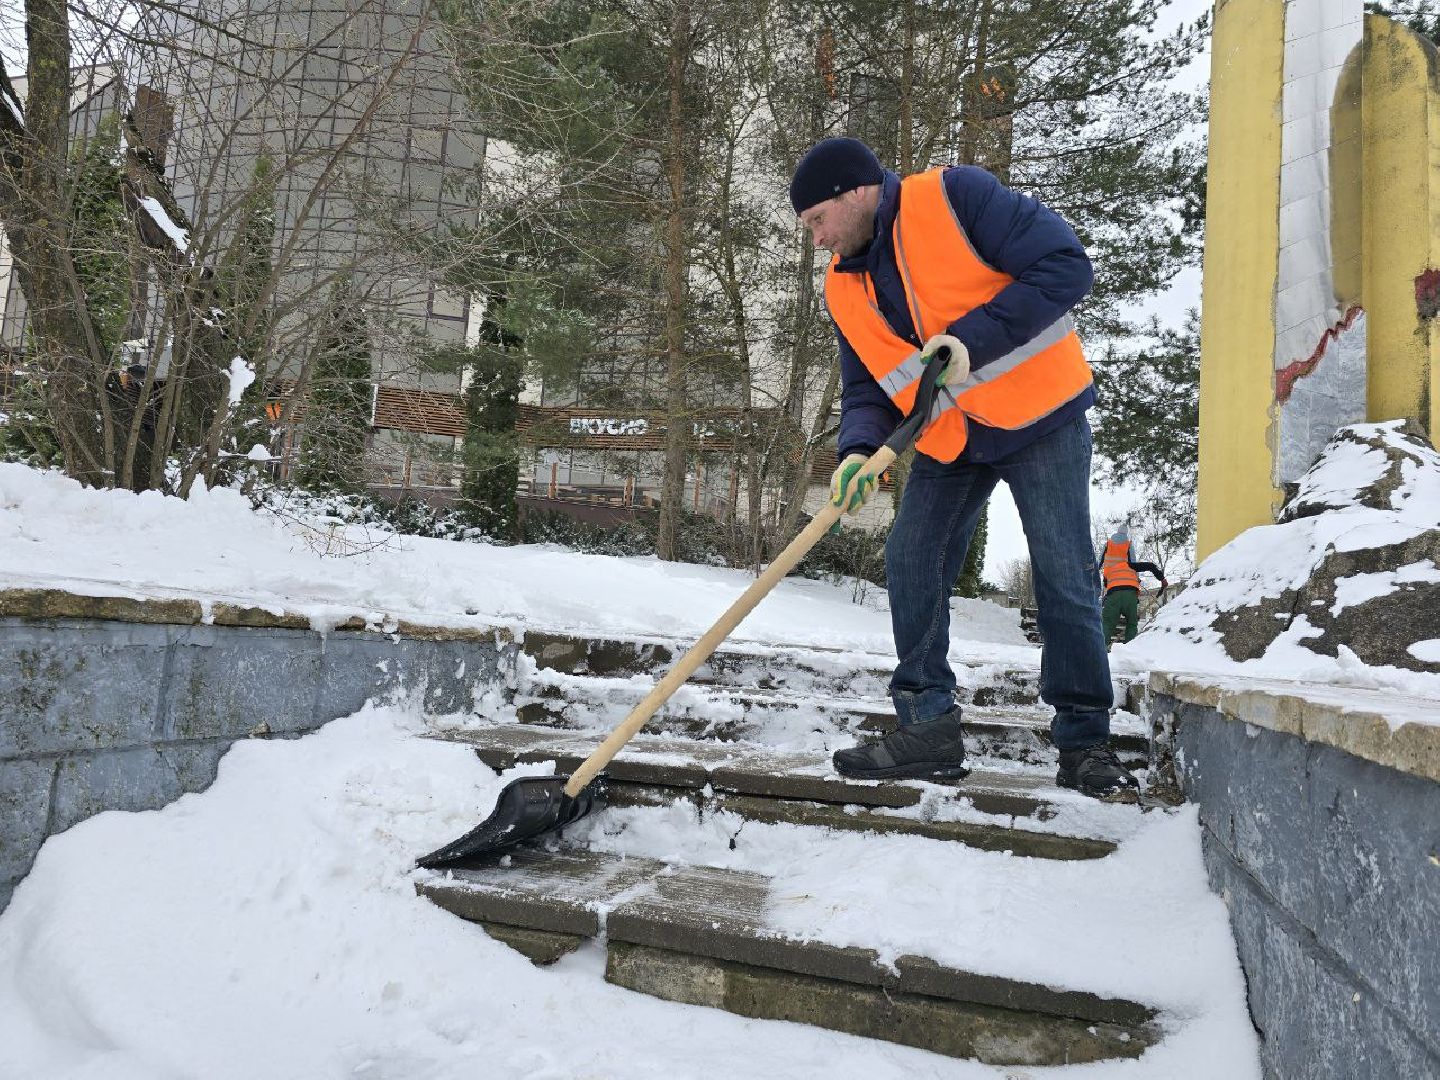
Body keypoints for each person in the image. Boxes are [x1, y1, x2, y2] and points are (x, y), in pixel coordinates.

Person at [791, 136, 1135, 799]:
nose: (815, 239)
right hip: (953, 438)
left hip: (1042, 418)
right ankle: (926, 726)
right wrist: (858, 452)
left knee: (1062, 572)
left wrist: (970, 340)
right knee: (911, 558)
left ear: (854, 192)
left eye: (816, 221)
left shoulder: (955, 198)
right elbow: (866, 385)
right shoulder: (842, 288)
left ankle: (1086, 740)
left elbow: (1066, 267)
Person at [1099, 524, 1166, 646]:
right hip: (1130, 593)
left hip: (1112, 588)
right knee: (1132, 623)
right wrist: (1162, 579)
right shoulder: (1129, 556)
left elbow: (1099, 561)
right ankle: (1127, 652)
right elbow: (1147, 565)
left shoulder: (1108, 545)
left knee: (1107, 623)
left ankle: (1100, 652)